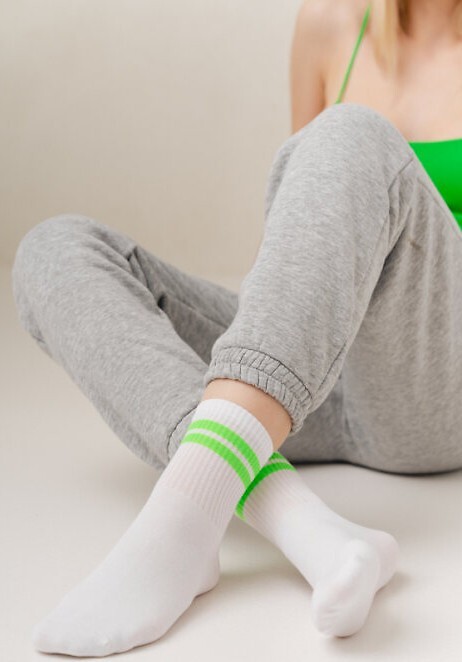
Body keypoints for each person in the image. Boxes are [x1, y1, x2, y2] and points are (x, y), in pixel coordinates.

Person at [11, 0, 462, 656]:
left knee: (353, 131)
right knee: (55, 250)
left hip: (438, 373)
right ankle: (305, 527)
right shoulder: (329, 23)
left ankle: (181, 521)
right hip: (316, 372)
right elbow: (307, 219)